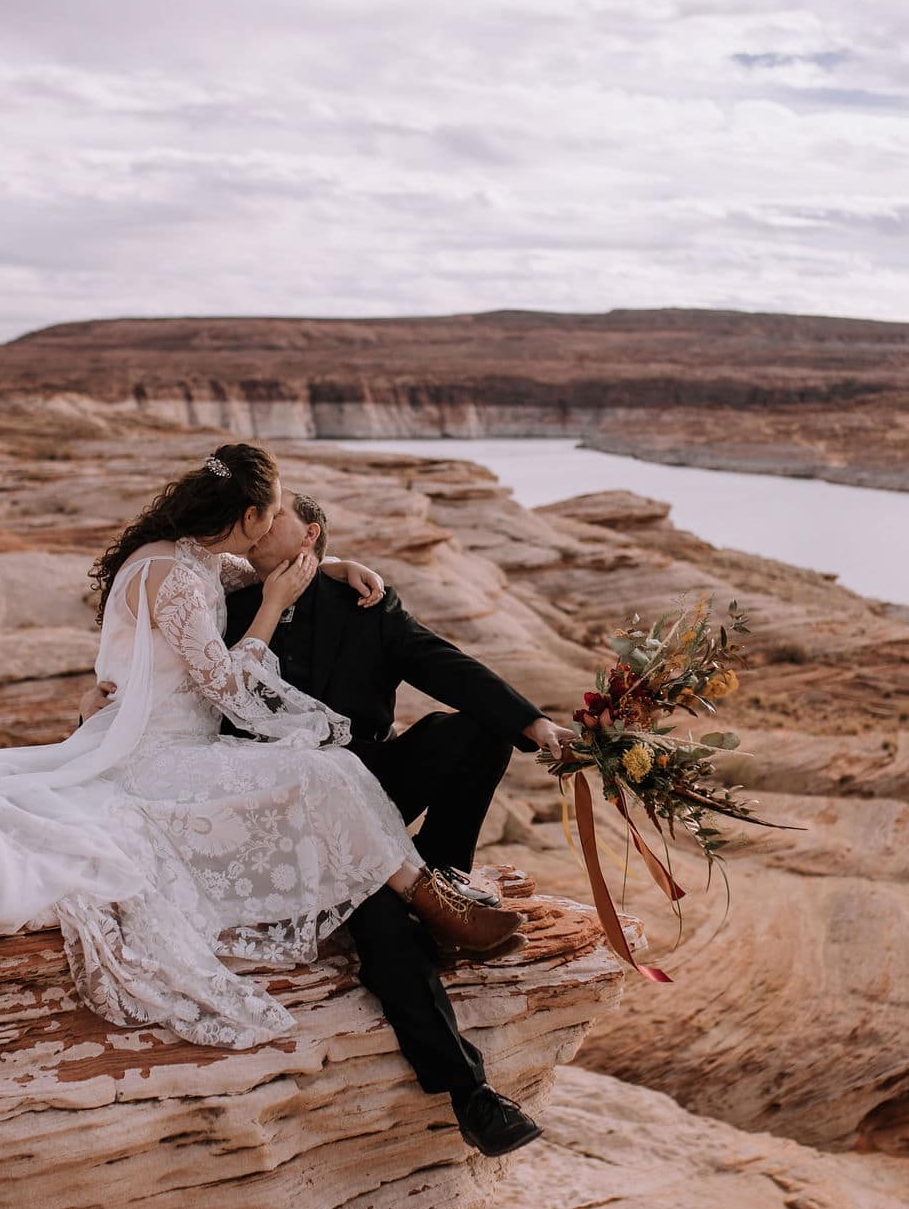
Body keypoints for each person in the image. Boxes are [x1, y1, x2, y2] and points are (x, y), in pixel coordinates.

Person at [0, 443, 523, 1071]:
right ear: (241, 512)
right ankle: (427, 894)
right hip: (161, 753)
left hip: (166, 740)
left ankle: (426, 891)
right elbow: (229, 687)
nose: (275, 524)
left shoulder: (191, 555)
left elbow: (258, 569)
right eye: (269, 510)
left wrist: (333, 565)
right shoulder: (173, 576)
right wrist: (272, 612)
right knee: (321, 769)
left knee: (325, 772)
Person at [83, 485, 579, 1157]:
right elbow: (160, 679)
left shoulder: (365, 599)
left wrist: (535, 723)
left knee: (476, 731)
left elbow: (442, 663)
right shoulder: (225, 608)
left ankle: (444, 876)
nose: (259, 526)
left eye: (277, 515)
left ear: (311, 533)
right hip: (287, 807)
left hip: (372, 773)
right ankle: (471, 1094)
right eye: (256, 514)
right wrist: (99, 710)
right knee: (377, 921)